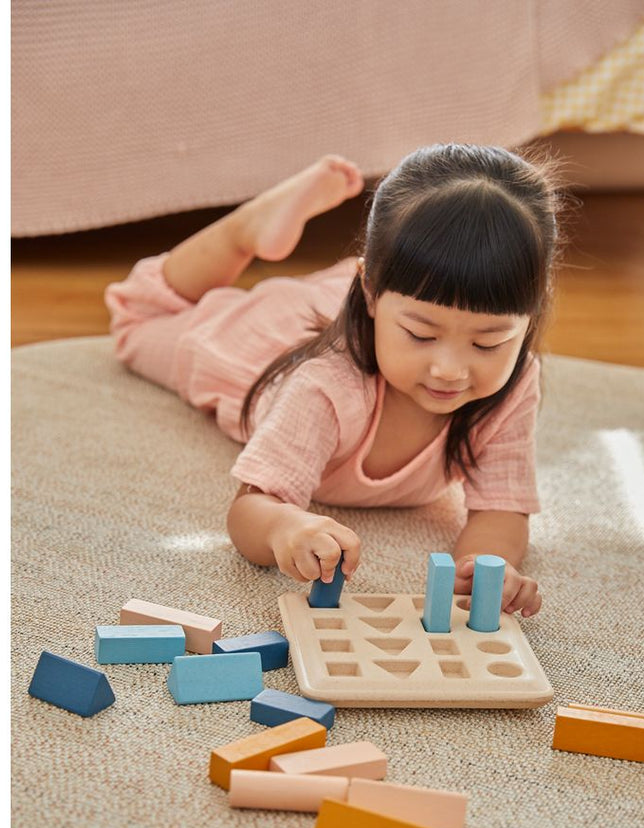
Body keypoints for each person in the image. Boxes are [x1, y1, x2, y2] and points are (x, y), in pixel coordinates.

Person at [105, 144, 562, 618]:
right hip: (262, 339)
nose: (450, 369)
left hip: (369, 303)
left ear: (530, 317)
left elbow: (502, 510)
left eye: (488, 343)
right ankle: (247, 231)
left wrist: (488, 569)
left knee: (424, 311)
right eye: (421, 335)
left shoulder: (516, 380)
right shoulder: (323, 386)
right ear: (369, 294)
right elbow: (250, 511)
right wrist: (286, 528)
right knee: (136, 316)